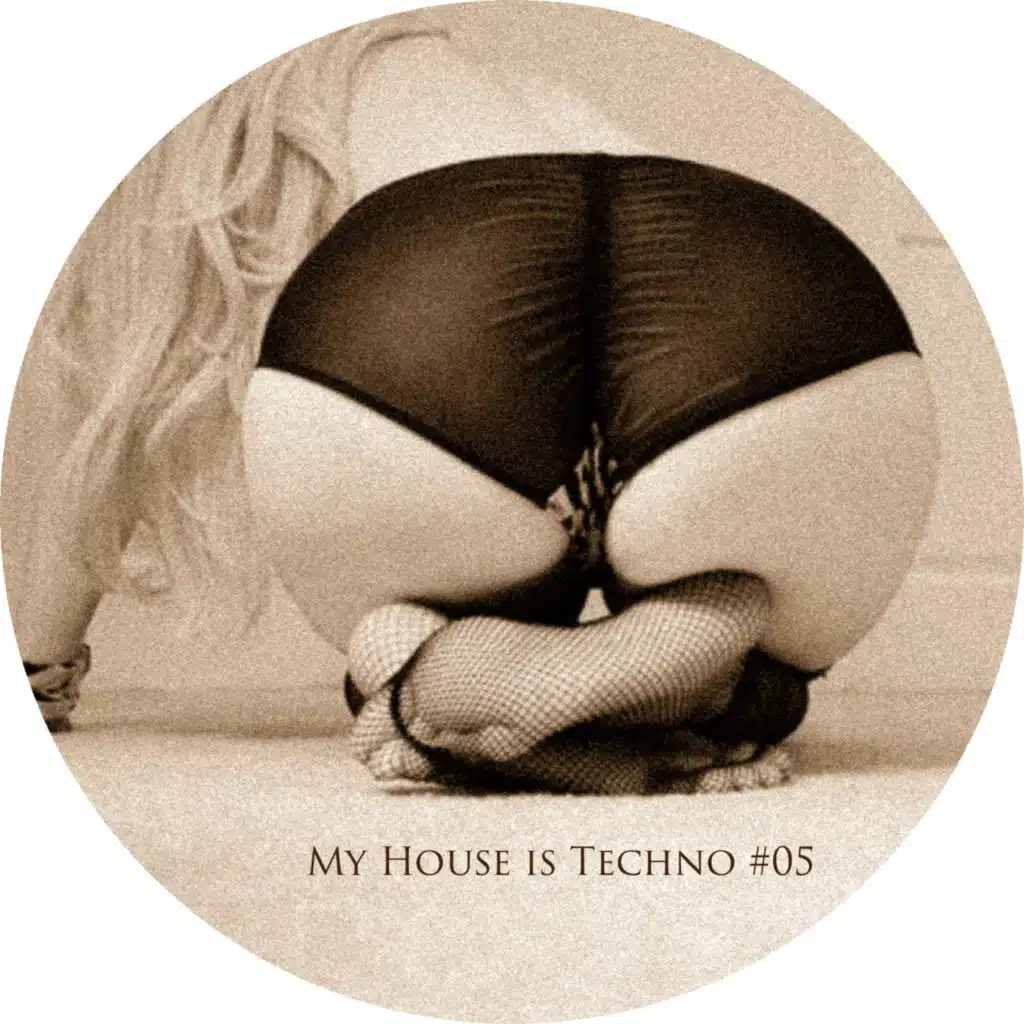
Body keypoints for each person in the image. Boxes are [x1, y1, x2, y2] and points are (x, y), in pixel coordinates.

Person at [2, 12, 937, 789]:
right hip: (753, 272)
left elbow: (105, 410)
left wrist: (37, 666)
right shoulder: (473, 76)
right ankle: (723, 662)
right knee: (767, 637)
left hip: (440, 285)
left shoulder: (215, 117)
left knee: (408, 621)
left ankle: (423, 669)